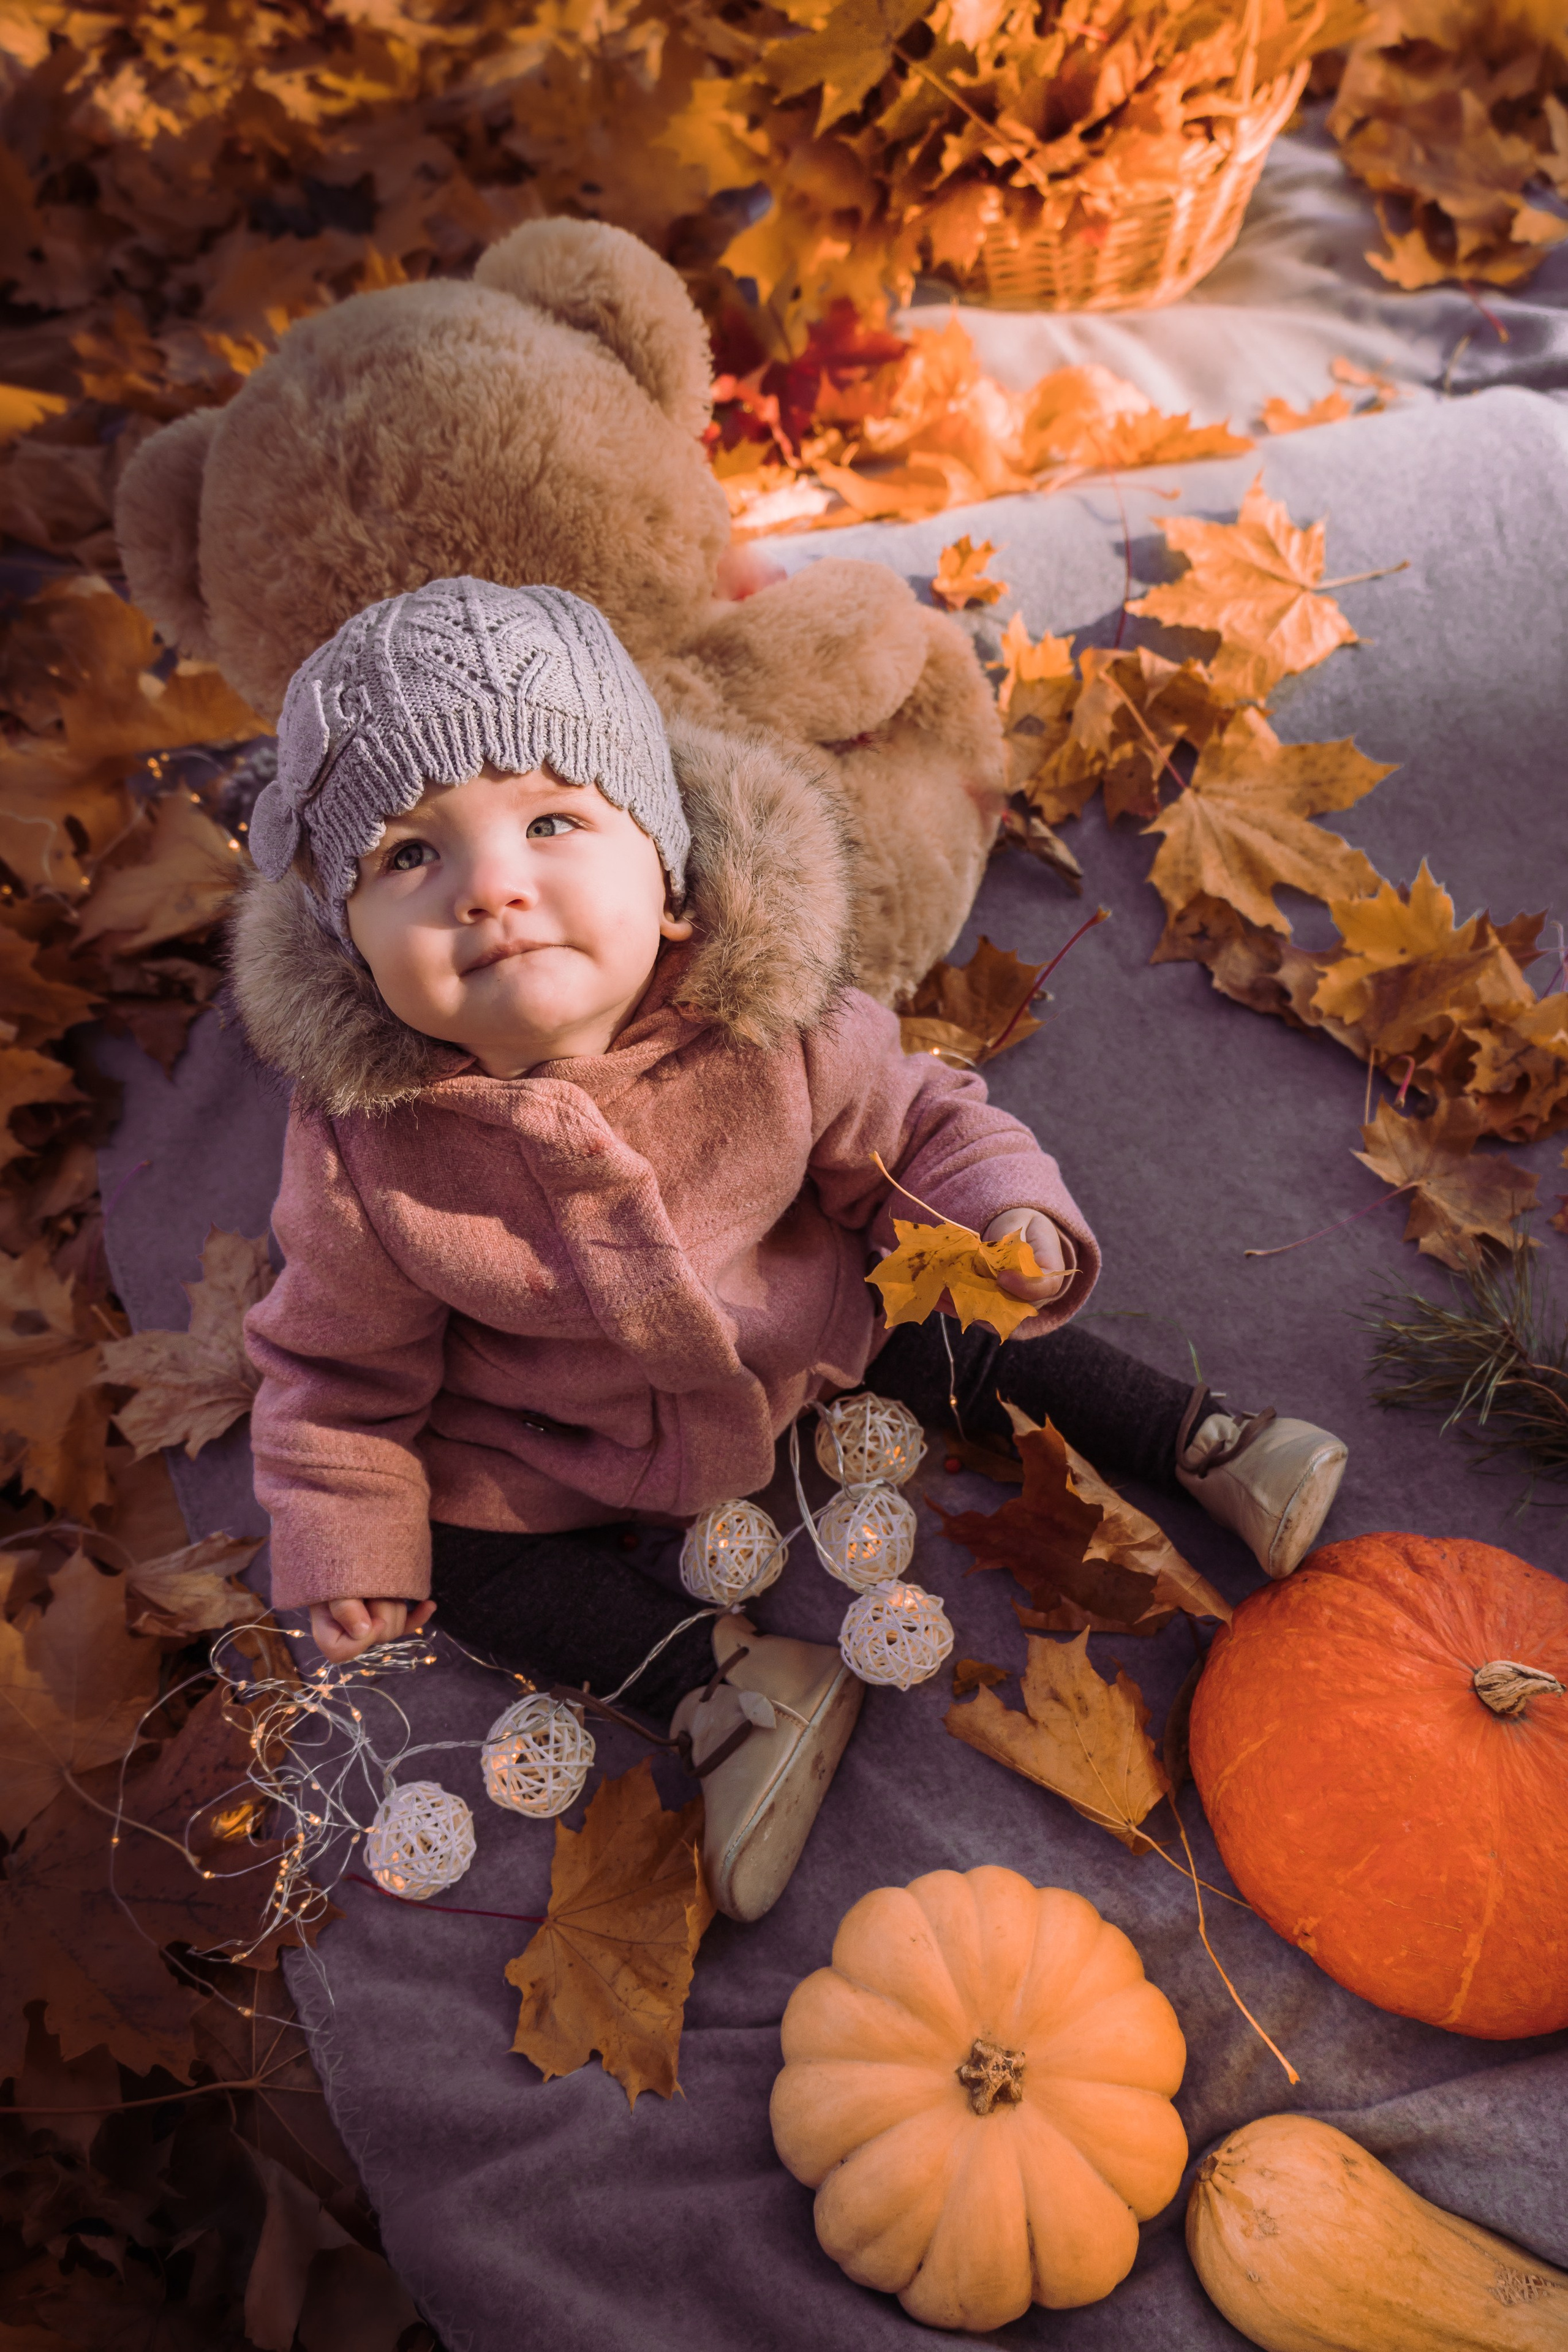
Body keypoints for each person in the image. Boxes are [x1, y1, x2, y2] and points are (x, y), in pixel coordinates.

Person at [235, 577, 1346, 1924]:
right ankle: (726, 1684)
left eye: (551, 821)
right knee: (448, 1549)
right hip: (556, 1436)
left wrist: (1003, 1225)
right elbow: (333, 1363)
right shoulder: (371, 1146)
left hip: (806, 1332)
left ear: (668, 872)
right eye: (408, 857)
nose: (493, 888)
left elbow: (921, 1122)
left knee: (953, 1325)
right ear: (350, 948)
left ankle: (1204, 1440)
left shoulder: (770, 1022)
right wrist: (348, 1529)